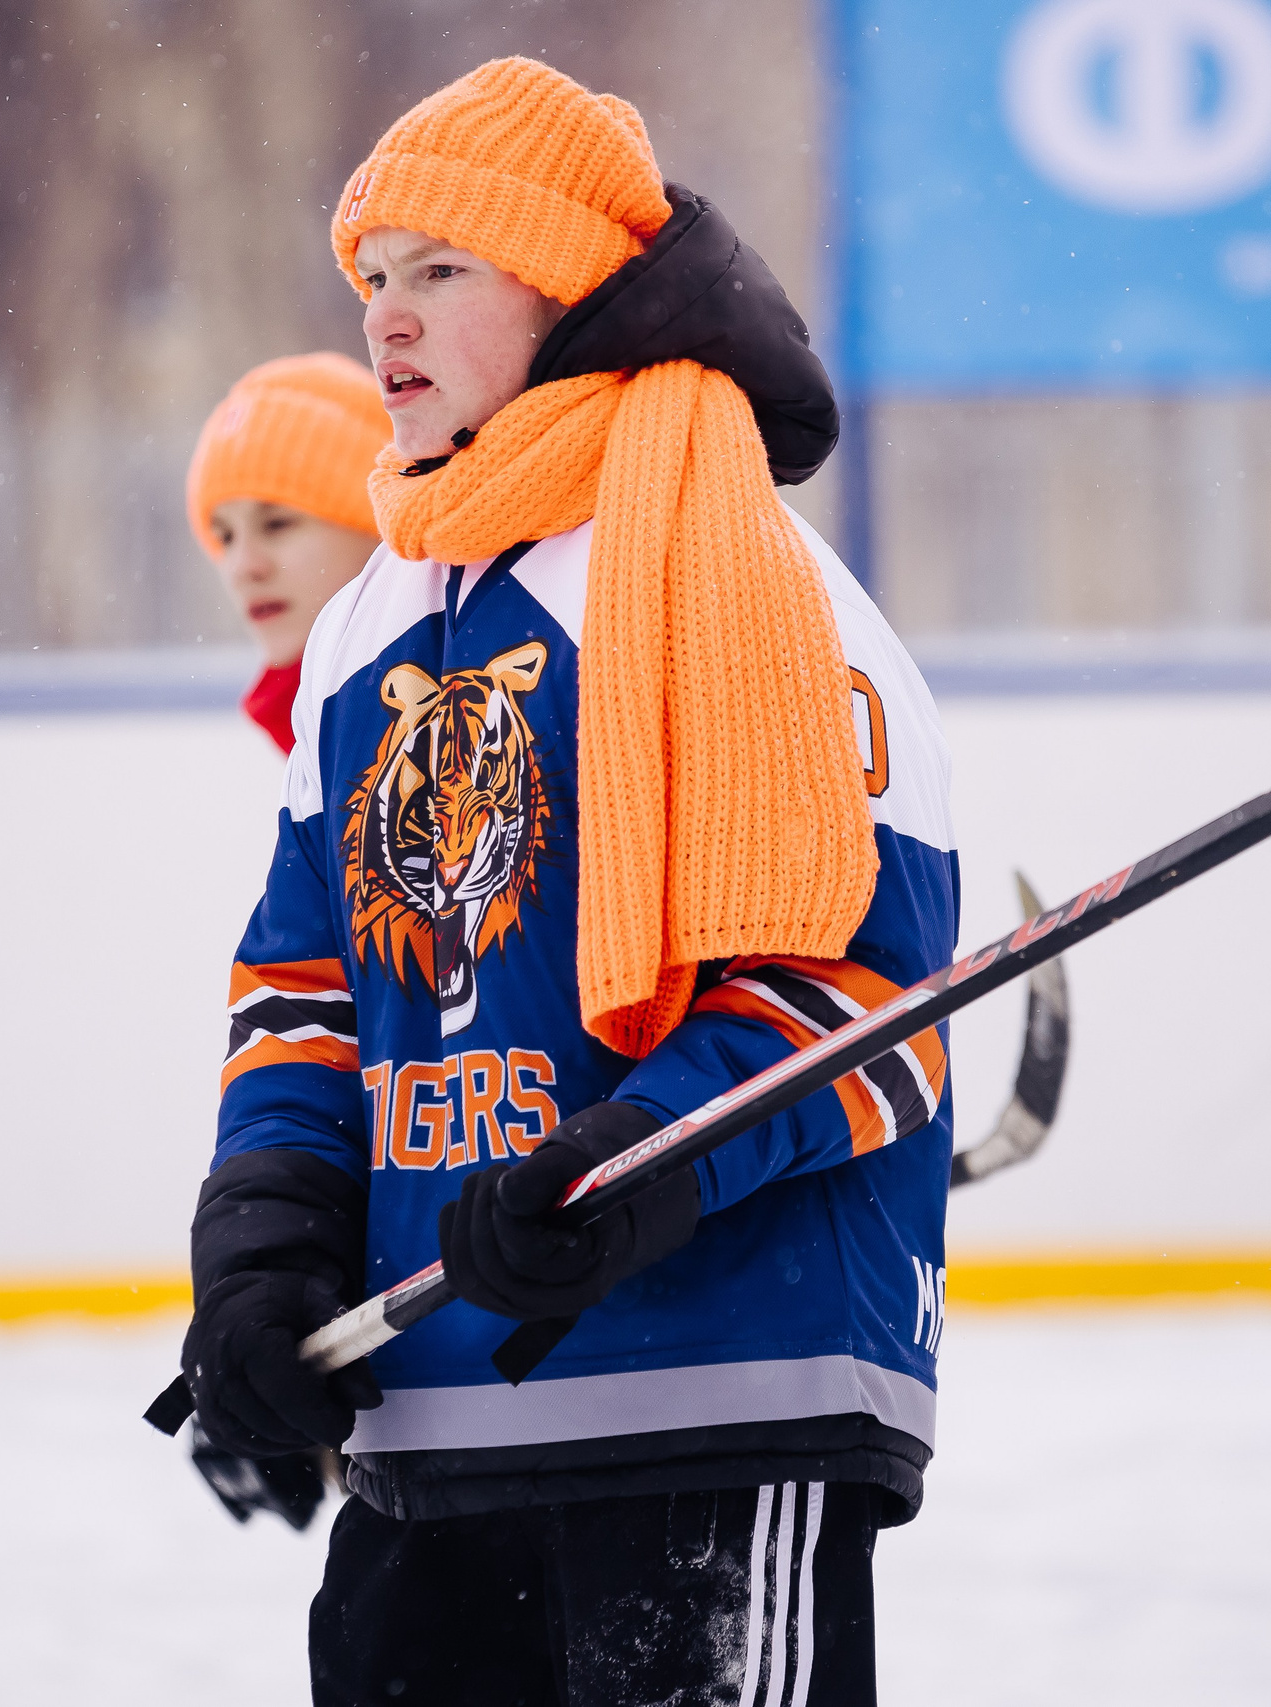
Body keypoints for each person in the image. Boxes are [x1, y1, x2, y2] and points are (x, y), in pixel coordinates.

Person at [179, 57, 957, 1706]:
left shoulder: (742, 577)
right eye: (372, 280)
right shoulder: (372, 633)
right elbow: (305, 993)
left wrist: (642, 1164)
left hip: (720, 1398)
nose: (385, 319)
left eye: (441, 271)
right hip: (437, 1420)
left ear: (570, 283)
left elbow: (875, 1006)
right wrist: (262, 1249)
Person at [185, 352, 392, 753]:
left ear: (377, 527)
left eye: (277, 524)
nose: (244, 567)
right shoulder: (317, 733)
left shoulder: (458, 716)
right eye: (225, 536)